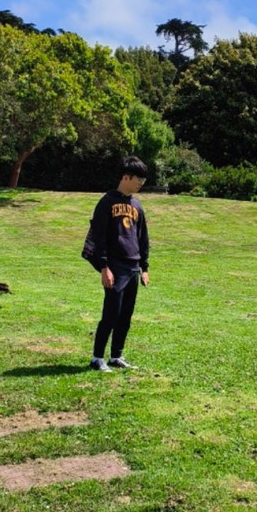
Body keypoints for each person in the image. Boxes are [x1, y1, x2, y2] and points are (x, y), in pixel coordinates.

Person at [88, 156, 150, 372]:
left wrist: (145, 268)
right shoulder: (107, 202)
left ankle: (116, 355)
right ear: (126, 176)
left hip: (133, 267)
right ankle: (97, 358)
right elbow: (99, 237)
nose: (141, 183)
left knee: (126, 316)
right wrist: (104, 267)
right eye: (138, 179)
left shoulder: (137, 206)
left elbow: (143, 238)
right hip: (115, 267)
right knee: (111, 314)